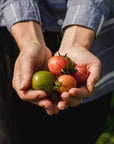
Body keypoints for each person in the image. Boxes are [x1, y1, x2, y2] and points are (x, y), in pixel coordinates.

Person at [0, 0, 114, 144]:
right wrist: (29, 41)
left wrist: (77, 42)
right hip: (13, 35)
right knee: (14, 133)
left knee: (85, 132)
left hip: (93, 33)